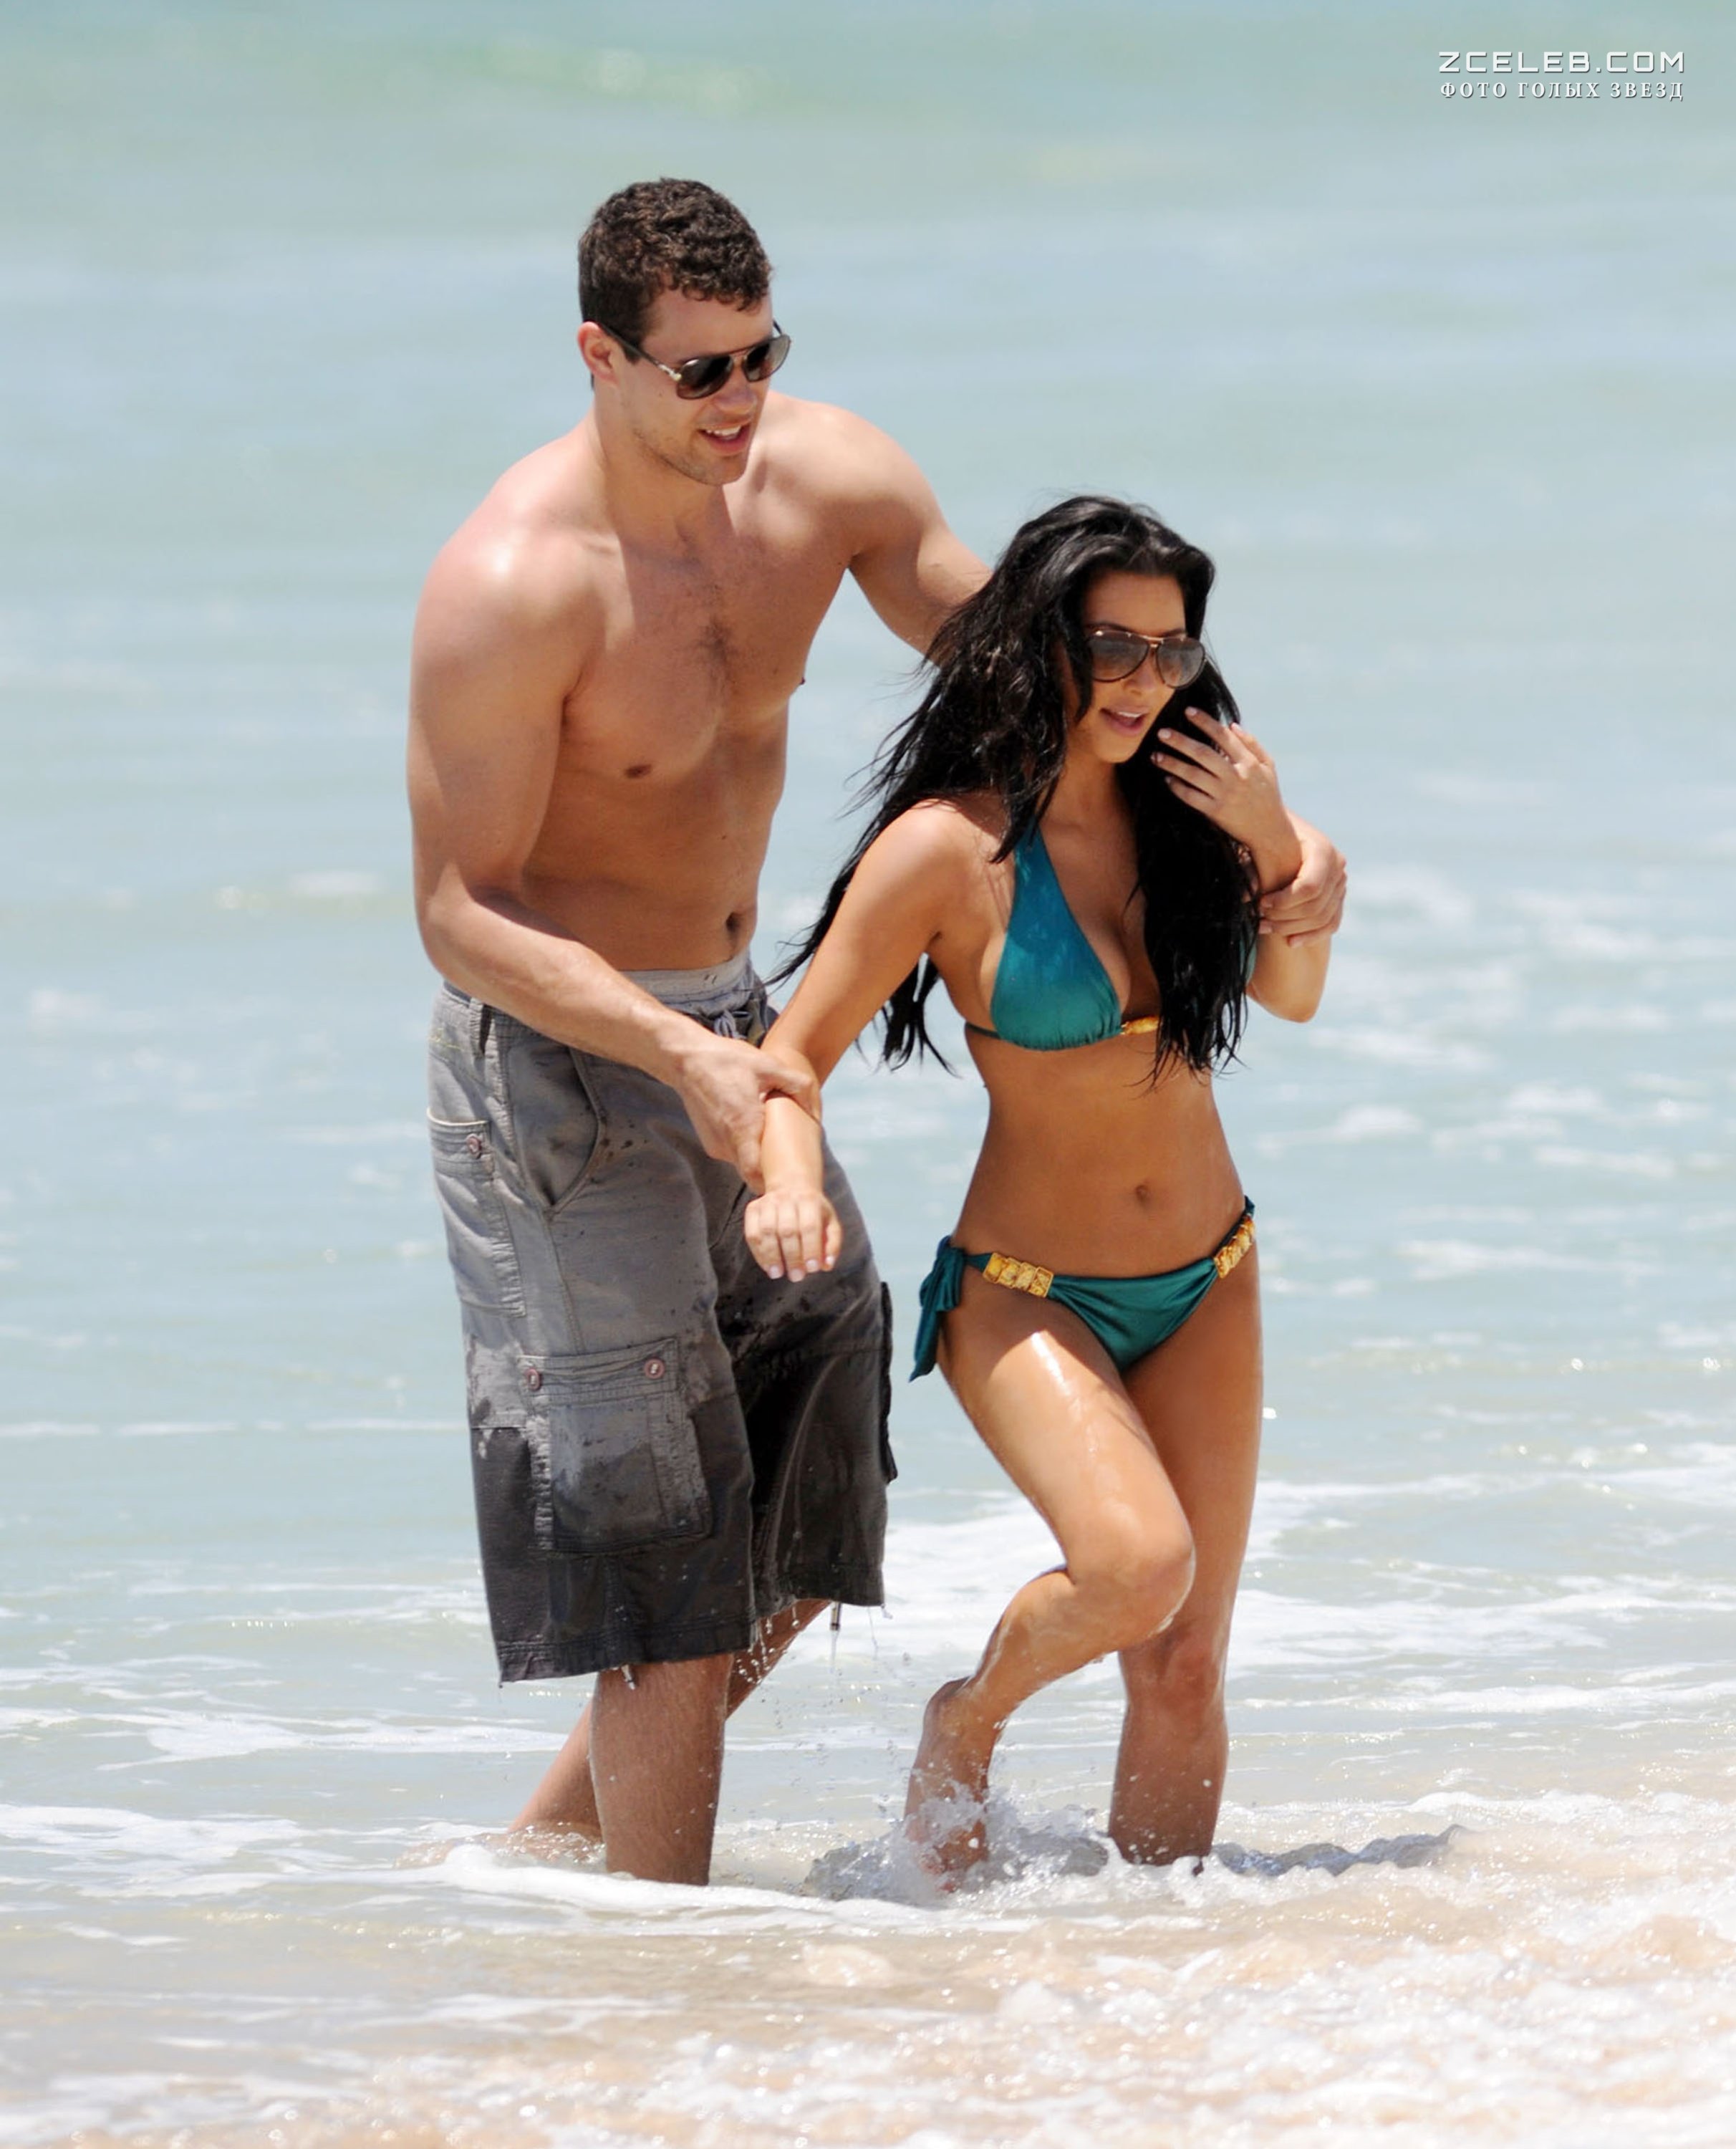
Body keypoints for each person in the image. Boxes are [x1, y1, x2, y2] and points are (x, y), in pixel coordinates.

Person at [408, 177, 1345, 1886]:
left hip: (741, 1030)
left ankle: (544, 1871)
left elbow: (1061, 675)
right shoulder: (514, 585)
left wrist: (1282, 851)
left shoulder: (828, 486)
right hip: (564, 1065)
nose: (743, 399)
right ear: (600, 357)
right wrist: (689, 1059)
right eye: (701, 371)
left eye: (762, 353)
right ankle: (665, 1978)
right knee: (669, 1567)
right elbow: (460, 912)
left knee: (803, 1527)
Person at [743, 496, 1333, 1875]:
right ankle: (969, 1715)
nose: (1144, 681)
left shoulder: (1200, 813)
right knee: (1136, 1568)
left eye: (1172, 652)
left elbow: (1295, 994)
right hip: (1028, 1292)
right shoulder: (947, 852)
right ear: (1039, 642)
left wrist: (1276, 843)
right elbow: (788, 1061)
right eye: (1112, 645)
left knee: (1185, 1665)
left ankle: (1158, 1965)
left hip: (1211, 1275)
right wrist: (785, 1182)